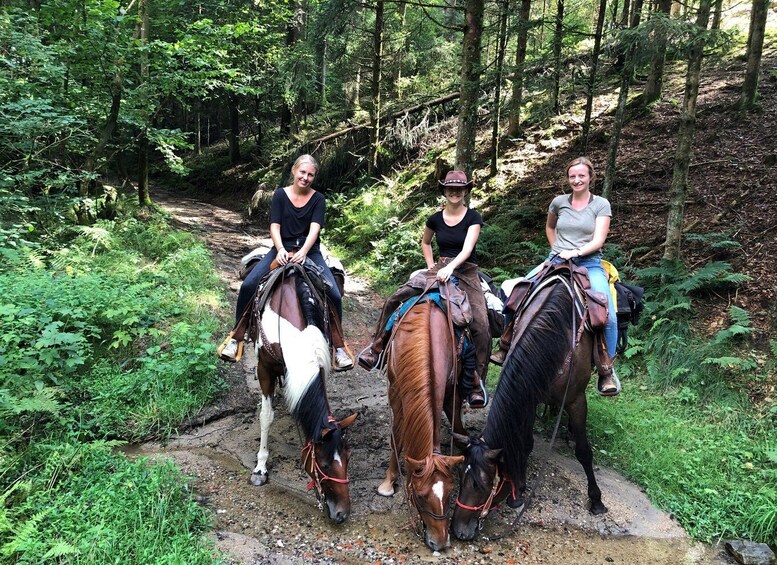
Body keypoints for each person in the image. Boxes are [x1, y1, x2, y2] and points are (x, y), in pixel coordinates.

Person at [358, 170, 490, 407]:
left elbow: (468, 248)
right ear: (444, 190)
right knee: (397, 299)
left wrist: (451, 268)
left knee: (481, 324)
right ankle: (377, 347)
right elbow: (426, 241)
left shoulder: (473, 217)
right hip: (438, 269)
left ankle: (474, 382)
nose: (454, 192)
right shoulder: (435, 219)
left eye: (459, 188)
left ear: (466, 191)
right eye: (450, 187)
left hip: (466, 270)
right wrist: (432, 265)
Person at [490, 157, 619, 395]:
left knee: (607, 314)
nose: (577, 180)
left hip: (588, 263)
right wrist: (556, 249)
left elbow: (599, 239)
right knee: (516, 292)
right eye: (572, 176)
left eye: (581, 176)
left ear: (590, 177)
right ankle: (506, 344)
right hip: (557, 260)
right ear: (568, 178)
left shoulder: (601, 204)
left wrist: (575, 252)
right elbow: (550, 227)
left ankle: (605, 370)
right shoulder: (559, 202)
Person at [219, 154, 353, 370]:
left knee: (334, 293)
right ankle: (236, 336)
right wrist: (280, 249)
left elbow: (314, 229)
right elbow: (275, 226)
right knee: (249, 285)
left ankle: (338, 347)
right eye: (303, 172)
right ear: (294, 171)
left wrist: (304, 251)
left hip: (310, 252)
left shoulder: (318, 199)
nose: (306, 178)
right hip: (281, 248)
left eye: (310, 174)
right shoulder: (280, 195)